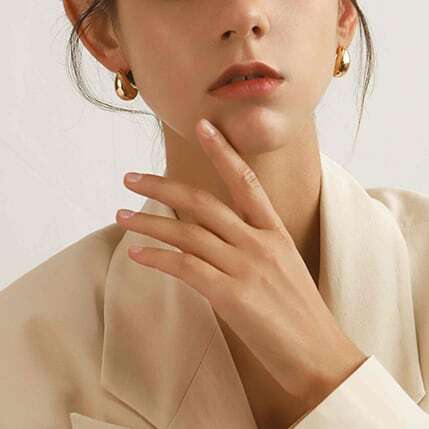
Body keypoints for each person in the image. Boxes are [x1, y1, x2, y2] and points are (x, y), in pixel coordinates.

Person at [1, 1, 428, 428]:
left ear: (343, 12)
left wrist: (327, 370)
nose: (245, 16)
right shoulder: (17, 352)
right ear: (103, 33)